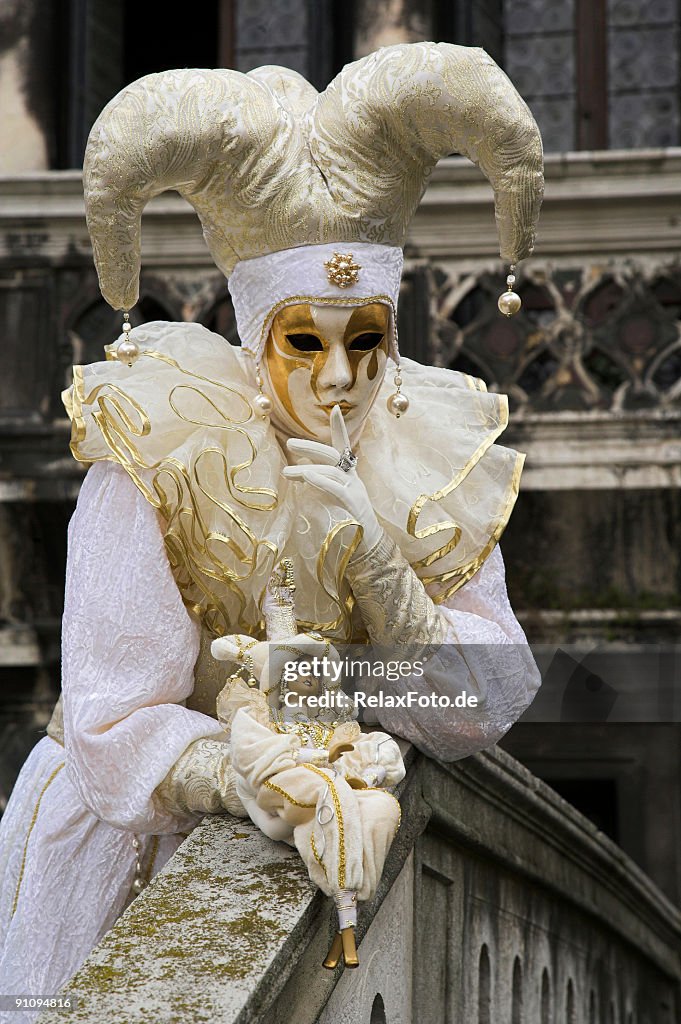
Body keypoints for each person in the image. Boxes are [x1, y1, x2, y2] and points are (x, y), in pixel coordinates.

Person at [0, 40, 544, 1011]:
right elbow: (109, 718)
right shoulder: (169, 453)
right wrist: (253, 774)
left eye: (365, 339)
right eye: (305, 341)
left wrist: (379, 576)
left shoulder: (424, 449)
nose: (340, 378)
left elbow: (493, 693)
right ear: (256, 341)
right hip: (129, 851)